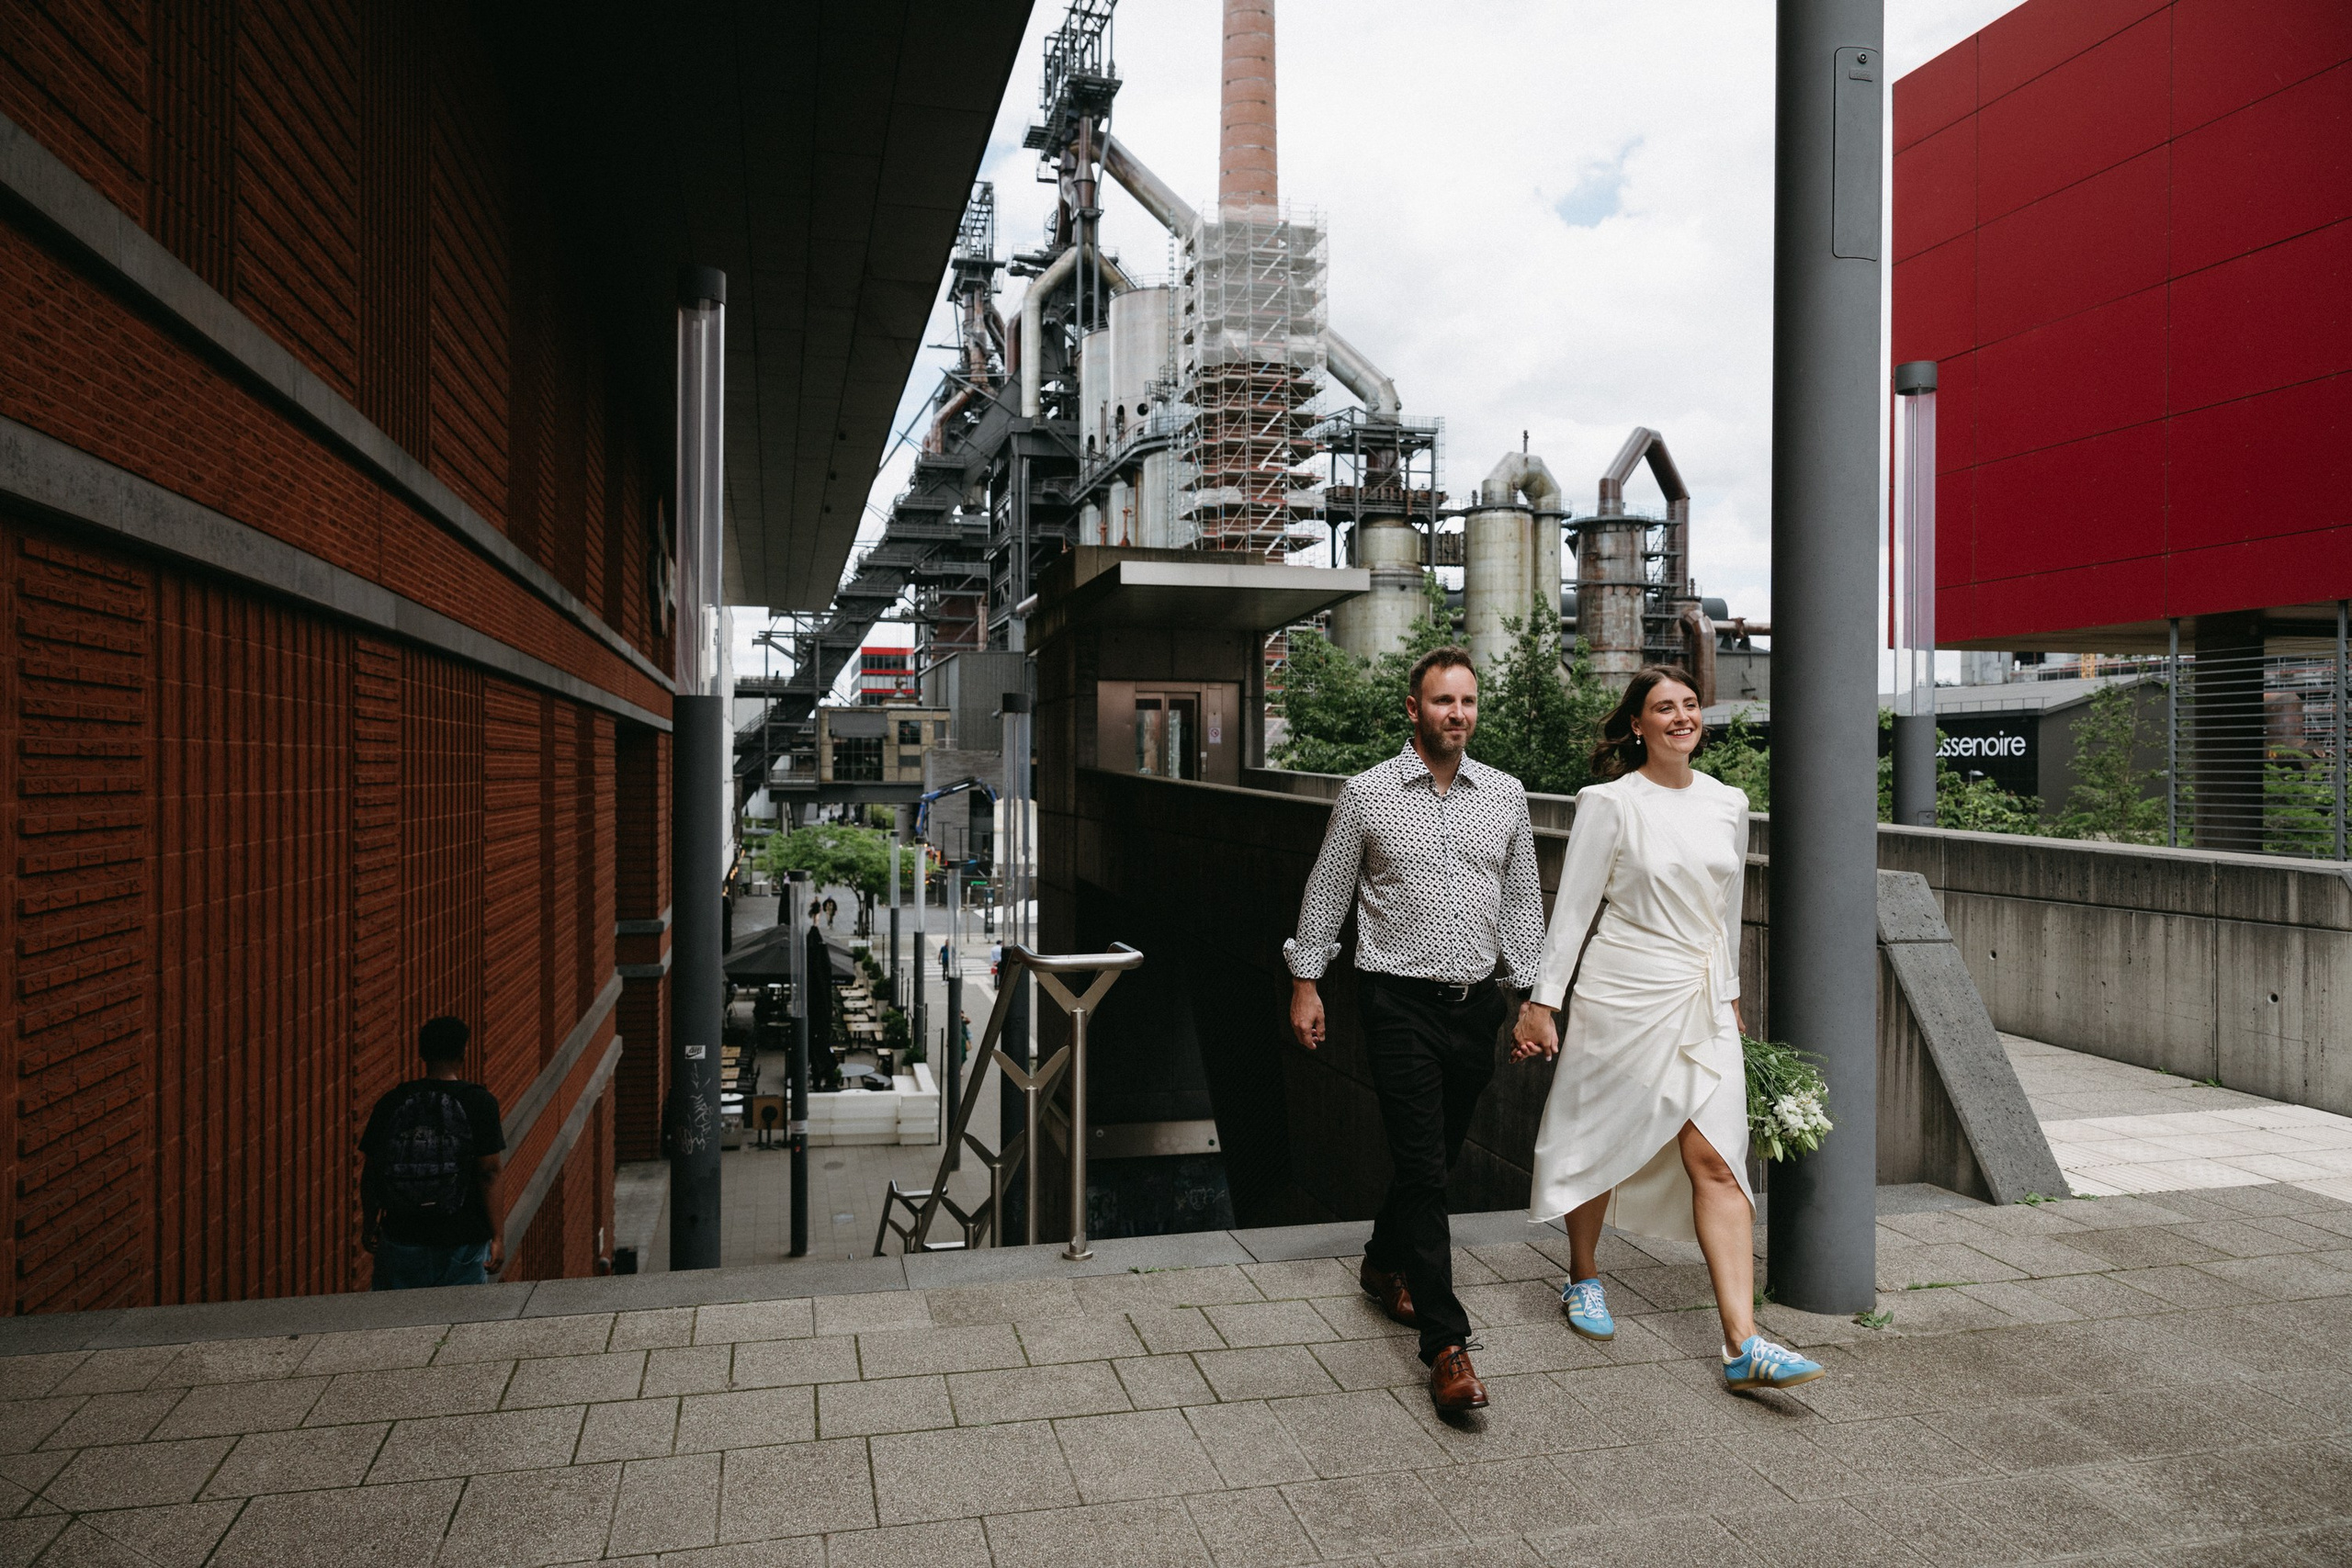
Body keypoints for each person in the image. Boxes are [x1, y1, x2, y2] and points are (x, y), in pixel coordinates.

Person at [1511, 666, 1826, 1393]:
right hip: (1621, 994)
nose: (1681, 716)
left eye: (1689, 705)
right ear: (1636, 725)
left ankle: (1742, 1342)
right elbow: (1575, 909)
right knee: (1596, 1134)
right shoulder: (1609, 803)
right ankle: (1583, 1275)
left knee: (1717, 1160)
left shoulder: (1729, 802)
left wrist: (1735, 997)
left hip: (1703, 998)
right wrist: (1543, 1001)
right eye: (1664, 707)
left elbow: (1728, 909)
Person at [1286, 646, 1547, 1414]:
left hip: (1477, 1007)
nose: (1457, 714)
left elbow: (1524, 903)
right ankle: (1446, 1346)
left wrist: (1531, 997)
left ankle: (1379, 1262)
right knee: (1428, 1170)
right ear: (1414, 708)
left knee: (1433, 1154)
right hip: (1394, 1001)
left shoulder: (1505, 794)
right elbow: (1327, 890)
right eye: (1443, 701)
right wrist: (1306, 981)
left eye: (1467, 701)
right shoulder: (1366, 794)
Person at [360, 1016, 506, 1289]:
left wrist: (370, 1223)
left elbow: (372, 1172)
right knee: (463, 1320)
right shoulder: (479, 1102)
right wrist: (497, 1236)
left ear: (422, 1054)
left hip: (403, 1234)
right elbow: (489, 1172)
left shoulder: (391, 1102)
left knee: (398, 1321)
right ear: (463, 1052)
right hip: (463, 1237)